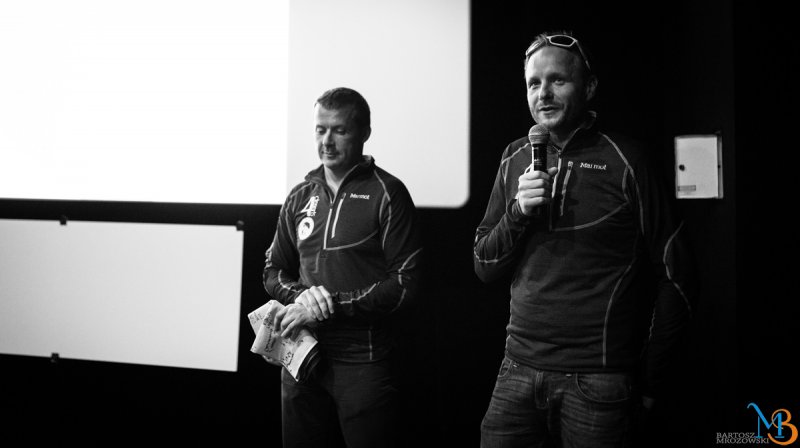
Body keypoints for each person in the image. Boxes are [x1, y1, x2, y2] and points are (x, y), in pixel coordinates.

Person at [473, 31, 697, 447]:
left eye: (557, 80)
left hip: (599, 380)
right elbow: (483, 265)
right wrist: (518, 211)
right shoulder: (514, 157)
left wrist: (652, 381)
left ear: (589, 87)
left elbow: (677, 276)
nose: (543, 93)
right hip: (516, 369)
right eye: (534, 83)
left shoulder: (627, 159)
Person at [262, 87, 422, 448]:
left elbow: (405, 286)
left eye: (339, 130)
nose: (327, 142)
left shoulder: (388, 193)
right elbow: (272, 270)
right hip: (300, 352)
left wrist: (328, 304)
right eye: (320, 130)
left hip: (363, 362)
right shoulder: (300, 195)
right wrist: (302, 298)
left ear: (364, 133)